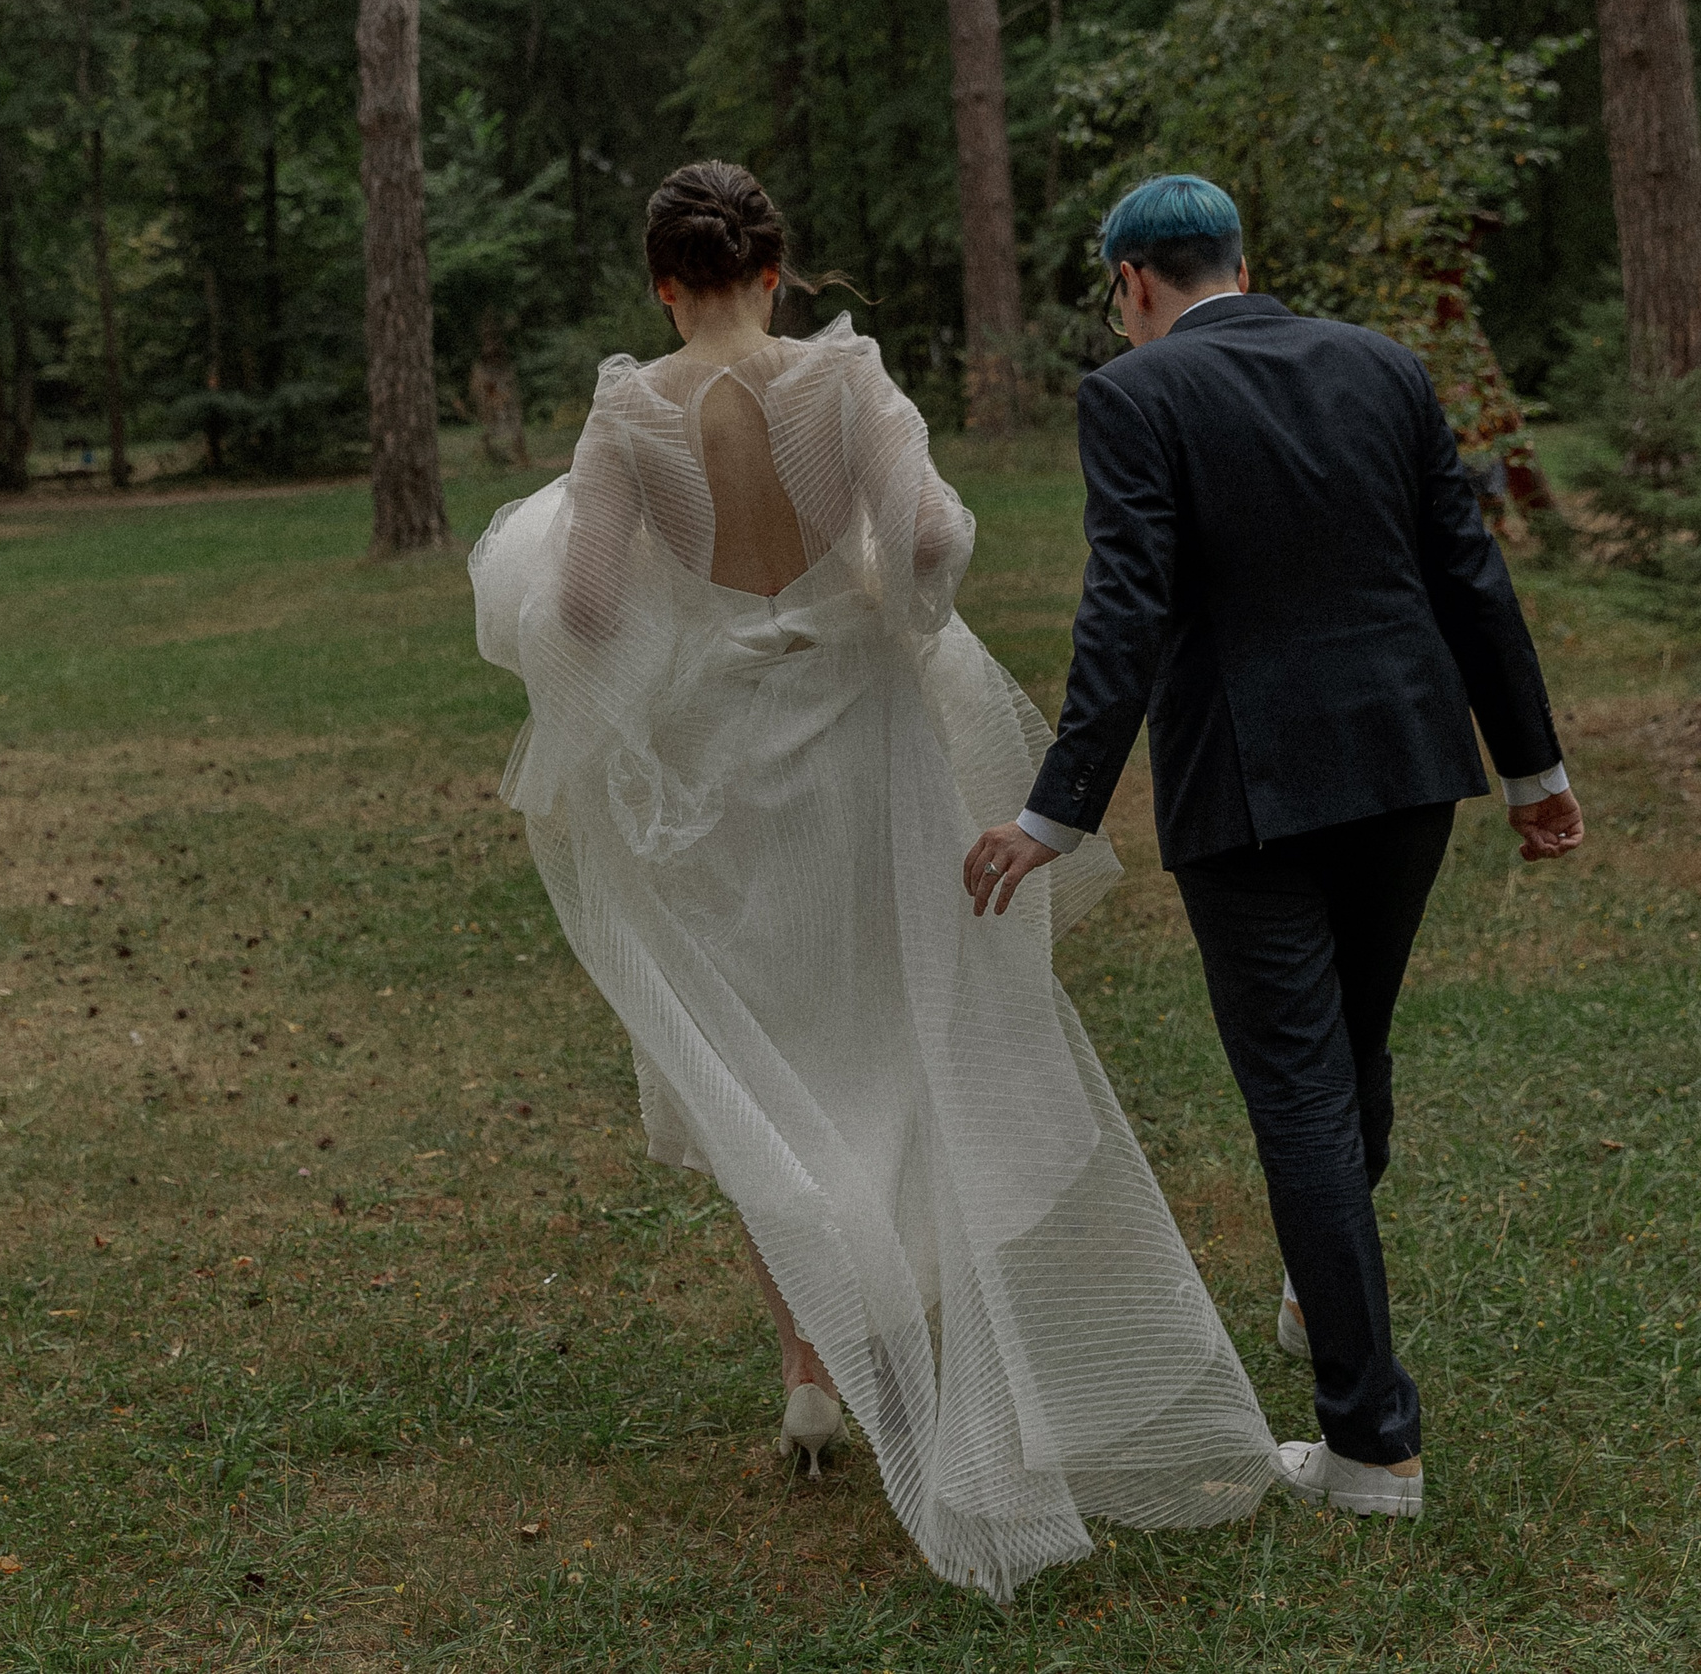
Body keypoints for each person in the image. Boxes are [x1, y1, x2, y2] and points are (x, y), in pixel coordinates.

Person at [471, 161, 1275, 1604]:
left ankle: (810, 1365)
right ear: (776, 271)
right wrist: (892, 596)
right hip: (865, 743)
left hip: (722, 765)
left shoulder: (628, 412)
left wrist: (584, 598)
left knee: (771, 1053)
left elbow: (587, 607)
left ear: (664, 281)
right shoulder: (847, 385)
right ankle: (939, 1335)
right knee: (909, 1026)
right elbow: (923, 540)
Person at [967, 175, 1584, 1524]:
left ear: (1132, 282)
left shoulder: (1134, 396)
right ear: (1243, 260)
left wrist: (1049, 812)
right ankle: (1323, 1287)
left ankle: (1370, 1450)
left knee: (1304, 1093)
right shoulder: (1385, 364)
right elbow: (1469, 572)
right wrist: (1533, 766)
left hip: (1250, 791)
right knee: (1347, 1054)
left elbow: (1123, 611)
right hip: (1410, 768)